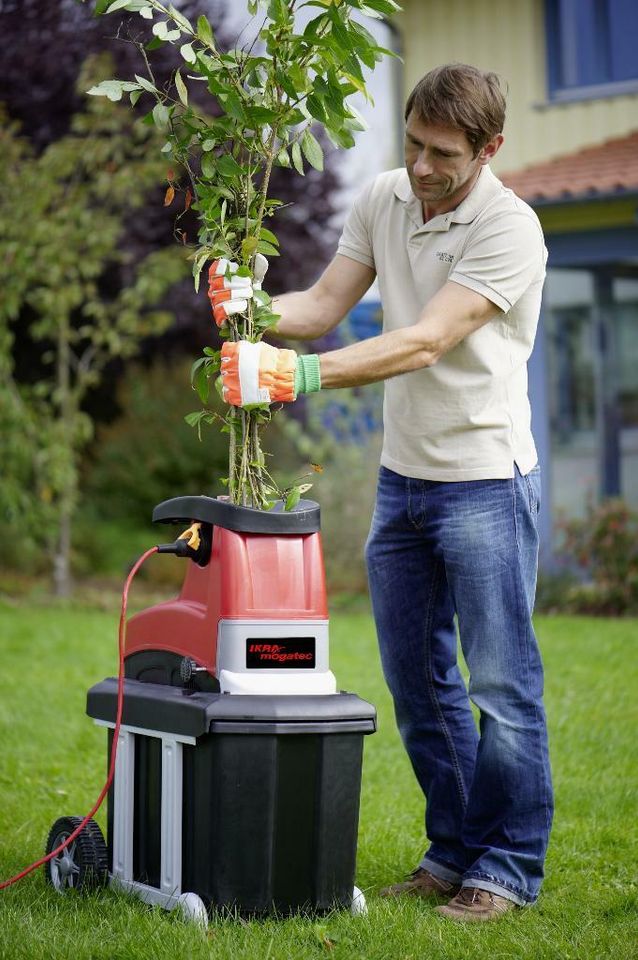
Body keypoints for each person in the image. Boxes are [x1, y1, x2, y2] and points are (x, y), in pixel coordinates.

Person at [212, 62, 553, 923]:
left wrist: (294, 378)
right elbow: (324, 305)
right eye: (413, 143)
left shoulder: (510, 229)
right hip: (405, 484)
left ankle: (507, 867)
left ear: (489, 149)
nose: (424, 166)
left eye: (444, 153)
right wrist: (250, 307)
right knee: (417, 679)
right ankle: (453, 853)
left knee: (500, 686)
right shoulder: (386, 197)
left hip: (484, 481)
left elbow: (425, 340)